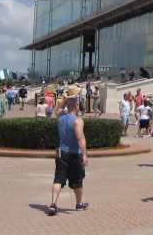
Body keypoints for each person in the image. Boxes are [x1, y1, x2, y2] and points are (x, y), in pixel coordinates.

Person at [48, 85, 88, 216]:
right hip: (74, 154)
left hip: (61, 152)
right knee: (77, 180)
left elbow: (57, 108)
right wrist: (85, 155)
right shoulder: (77, 121)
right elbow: (80, 138)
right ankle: (79, 203)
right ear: (76, 105)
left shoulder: (61, 117)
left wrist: (66, 99)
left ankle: (53, 203)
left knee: (58, 179)